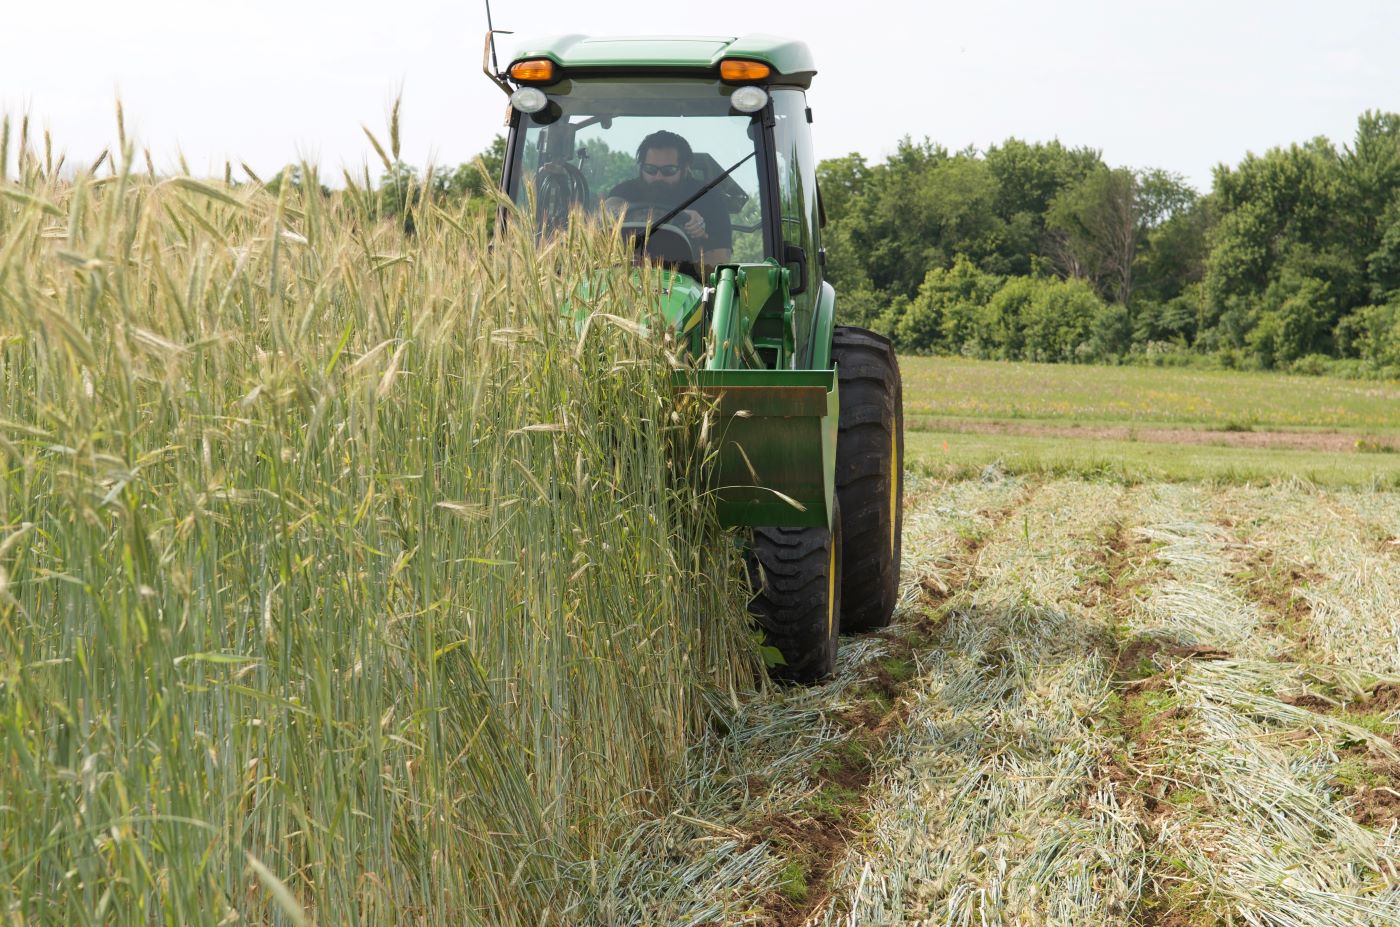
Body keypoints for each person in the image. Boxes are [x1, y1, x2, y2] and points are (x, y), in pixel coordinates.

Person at [604, 130, 732, 265]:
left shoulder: (709, 196)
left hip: (686, 282)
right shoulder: (626, 190)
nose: (658, 177)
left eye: (668, 171)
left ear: (685, 169)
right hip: (625, 279)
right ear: (641, 167)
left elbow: (720, 259)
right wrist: (680, 216)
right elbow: (608, 212)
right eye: (650, 169)